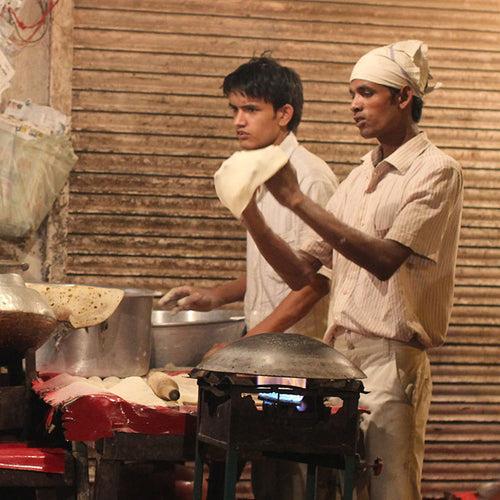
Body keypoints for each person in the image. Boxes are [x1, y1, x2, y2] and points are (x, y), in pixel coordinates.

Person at [240, 40, 464, 499]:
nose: (354, 106)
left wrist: (297, 200)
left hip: (391, 361)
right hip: (341, 359)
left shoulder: (436, 171)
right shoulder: (359, 175)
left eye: (366, 93)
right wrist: (252, 215)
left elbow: (385, 259)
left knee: (389, 491)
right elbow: (302, 273)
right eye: (351, 95)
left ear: (403, 97)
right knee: (332, 491)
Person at [160, 55, 338, 499]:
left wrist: (243, 347)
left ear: (284, 114)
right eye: (233, 110)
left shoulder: (310, 180)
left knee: (289, 483)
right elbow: (272, 267)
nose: (238, 121)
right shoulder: (258, 171)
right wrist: (215, 296)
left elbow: (315, 284)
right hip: (266, 354)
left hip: (297, 362)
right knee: (265, 482)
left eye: (251, 109)